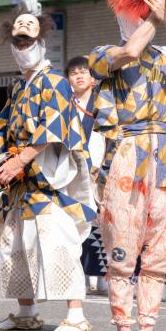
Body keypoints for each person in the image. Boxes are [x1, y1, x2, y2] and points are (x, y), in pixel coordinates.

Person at [88, 0, 166, 331]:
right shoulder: (103, 55)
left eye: (140, 11)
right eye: (131, 11)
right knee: (123, 245)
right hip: (127, 152)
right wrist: (155, 15)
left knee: (160, 248)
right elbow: (131, 52)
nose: (134, 18)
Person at [0, 5, 97, 331]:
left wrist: (20, 160)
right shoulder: (19, 88)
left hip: (48, 179)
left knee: (56, 240)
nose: (22, 48)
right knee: (12, 243)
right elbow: (3, 131)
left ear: (41, 42)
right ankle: (26, 312)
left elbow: (54, 128)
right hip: (19, 182)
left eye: (27, 40)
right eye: (17, 42)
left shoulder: (55, 83)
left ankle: (76, 314)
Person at [66, 55, 108, 295]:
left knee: (101, 227)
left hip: (99, 171)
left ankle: (102, 276)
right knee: (75, 225)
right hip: (73, 173)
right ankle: (78, 275)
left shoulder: (102, 104)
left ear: (93, 78)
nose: (79, 76)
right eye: (74, 73)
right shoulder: (64, 105)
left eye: (84, 72)